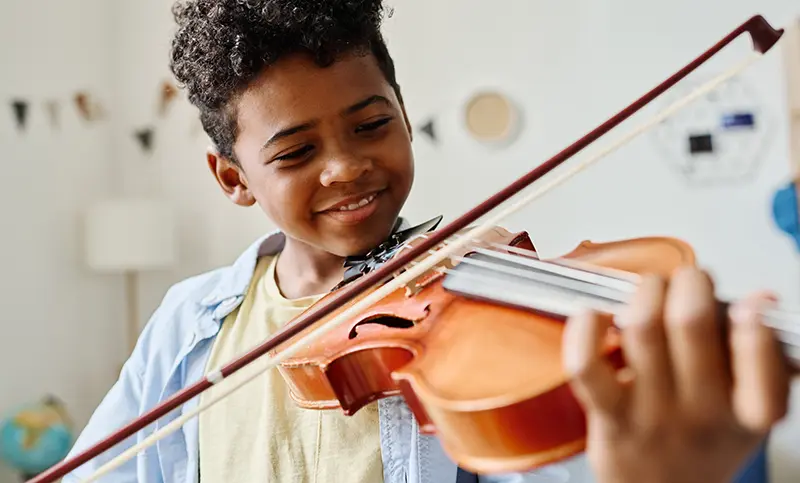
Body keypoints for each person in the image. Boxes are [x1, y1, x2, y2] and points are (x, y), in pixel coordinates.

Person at [62, 1, 792, 482]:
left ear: (405, 116)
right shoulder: (190, 328)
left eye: (371, 123)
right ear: (233, 177)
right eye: (294, 152)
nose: (347, 166)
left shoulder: (486, 299)